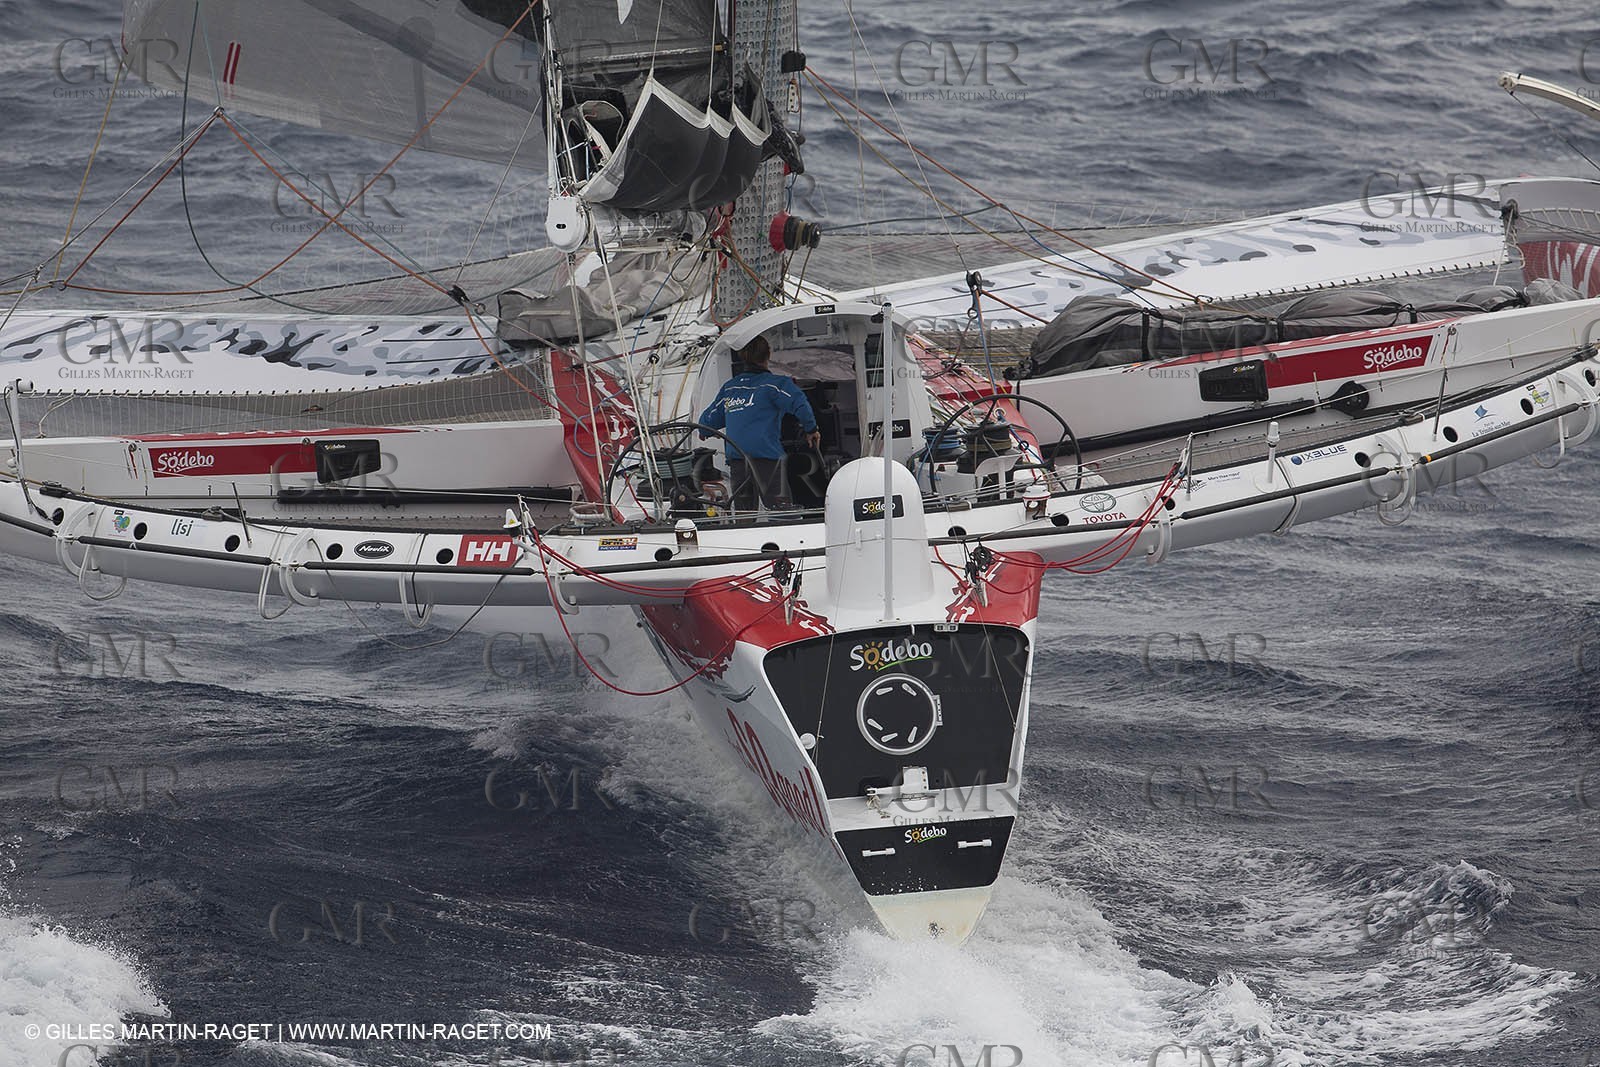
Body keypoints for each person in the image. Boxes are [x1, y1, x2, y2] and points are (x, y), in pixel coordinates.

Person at [699, 335, 821, 510]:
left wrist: (705, 432)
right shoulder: (776, 385)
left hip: (738, 462)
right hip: (767, 460)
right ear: (768, 355)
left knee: (744, 515)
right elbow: (800, 404)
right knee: (781, 512)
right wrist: (811, 430)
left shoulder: (730, 388)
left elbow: (708, 420)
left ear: (743, 356)